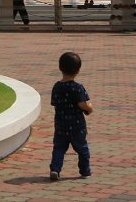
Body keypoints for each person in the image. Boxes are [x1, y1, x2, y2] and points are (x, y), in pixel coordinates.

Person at [49, 51, 93, 181]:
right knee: (82, 149)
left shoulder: (57, 87)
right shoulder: (78, 87)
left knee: (59, 148)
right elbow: (82, 104)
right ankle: (85, 170)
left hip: (61, 125)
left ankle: (55, 169)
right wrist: (89, 108)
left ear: (60, 68)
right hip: (77, 126)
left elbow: (54, 103)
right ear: (78, 69)